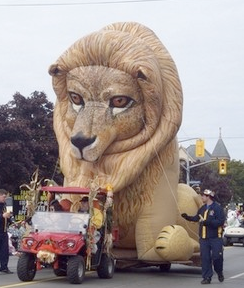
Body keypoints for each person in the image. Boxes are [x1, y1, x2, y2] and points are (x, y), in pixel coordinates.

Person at [181, 189, 225, 284]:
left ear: (208, 197)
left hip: (215, 238)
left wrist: (208, 222)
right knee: (205, 258)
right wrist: (187, 217)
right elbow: (197, 218)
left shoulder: (217, 208)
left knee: (217, 257)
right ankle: (207, 277)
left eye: (203, 196)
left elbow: (220, 221)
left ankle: (219, 271)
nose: (201, 197)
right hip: (204, 238)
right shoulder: (202, 208)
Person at [0, 189, 14, 274]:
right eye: (3, 197)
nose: (5, 199)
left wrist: (10, 220)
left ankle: (4, 267)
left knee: (4, 250)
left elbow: (6, 217)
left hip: (3, 231)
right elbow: (2, 216)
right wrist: (2, 216)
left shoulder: (4, 205)